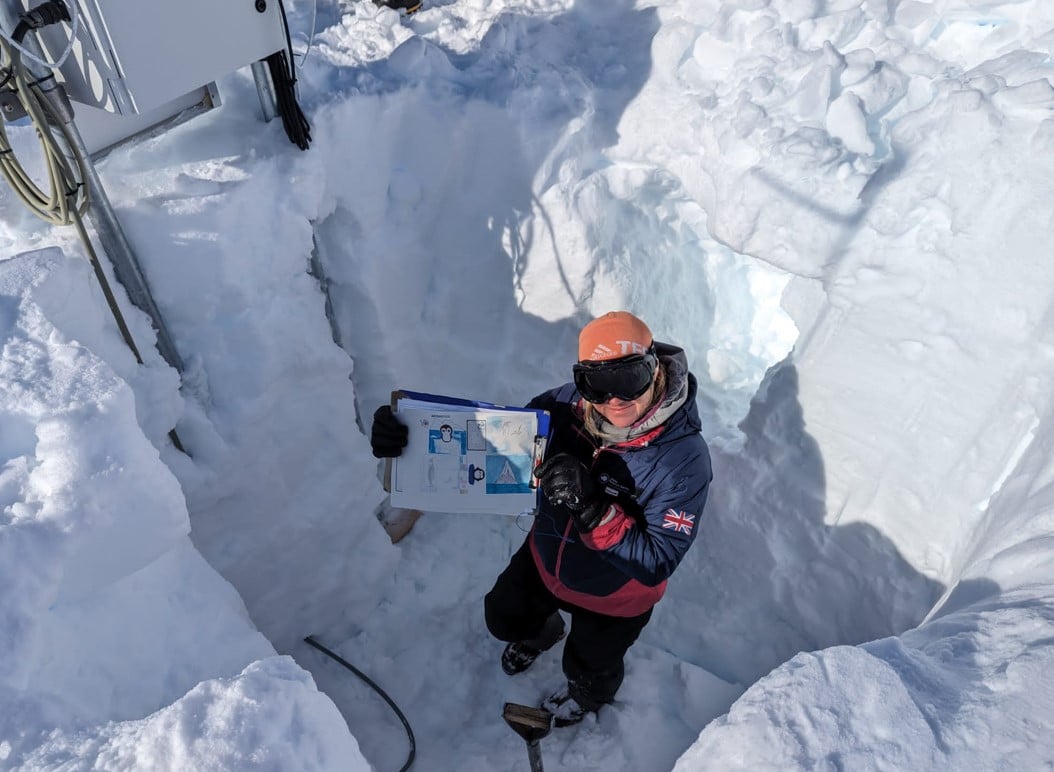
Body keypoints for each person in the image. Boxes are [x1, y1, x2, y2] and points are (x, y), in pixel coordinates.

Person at [369, 311, 712, 727]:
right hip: (546, 561)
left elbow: (658, 558)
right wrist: (409, 439)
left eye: (629, 379)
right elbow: (494, 446)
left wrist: (591, 508)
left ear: (654, 368)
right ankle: (544, 631)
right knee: (503, 618)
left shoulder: (683, 459)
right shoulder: (563, 406)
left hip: (615, 599)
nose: (615, 400)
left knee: (590, 669)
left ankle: (586, 698)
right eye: (597, 384)